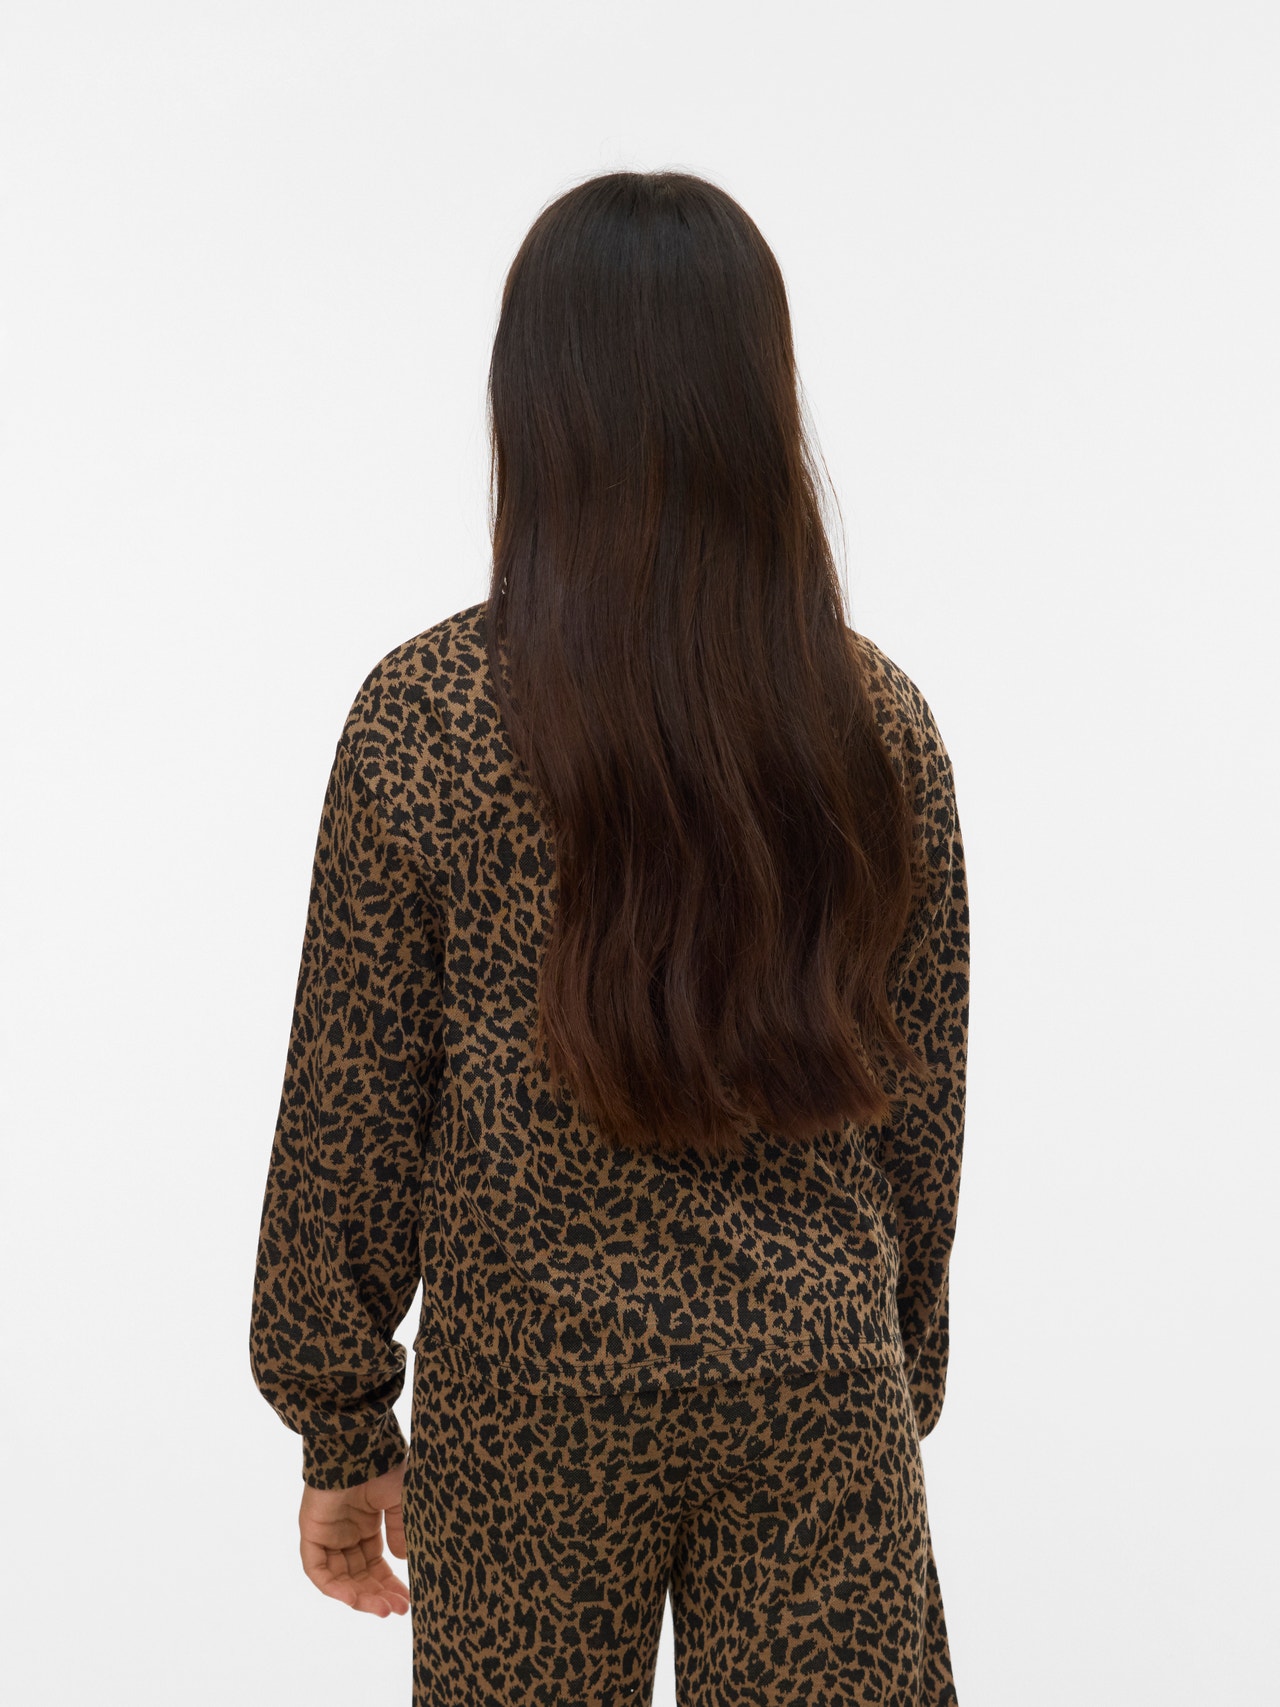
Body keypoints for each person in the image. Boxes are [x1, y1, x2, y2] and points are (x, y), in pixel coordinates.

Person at [250, 168, 969, 1707]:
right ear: (757, 402)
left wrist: (341, 1427)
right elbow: (922, 1097)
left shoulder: (424, 717)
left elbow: (352, 1110)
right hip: (813, 1377)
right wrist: (894, 1365)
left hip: (530, 1389)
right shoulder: (873, 722)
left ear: (535, 405)